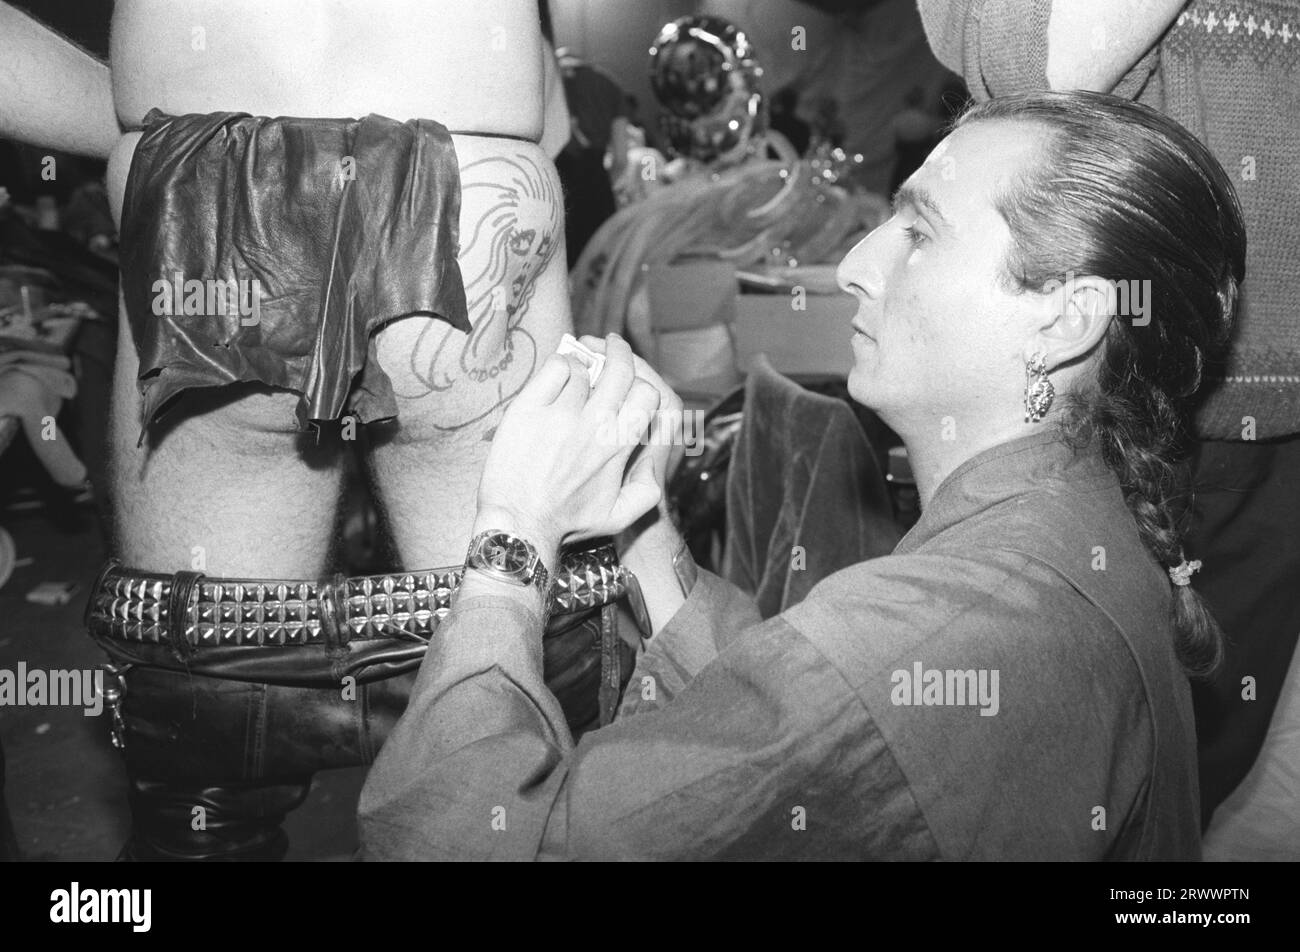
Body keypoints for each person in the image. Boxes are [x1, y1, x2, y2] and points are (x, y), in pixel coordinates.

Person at [357, 90, 1244, 860]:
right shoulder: (1084, 527)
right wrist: (644, 528)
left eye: (919, 232)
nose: (856, 267)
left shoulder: (943, 639)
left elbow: (456, 836)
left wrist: (511, 534)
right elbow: (795, 730)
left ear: (1065, 321)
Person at [0, 0, 641, 861]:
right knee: (523, 701)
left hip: (209, 212)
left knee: (205, 747)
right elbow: (555, 121)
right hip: (470, 188)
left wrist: (155, 119)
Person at [917, 0, 1300, 844]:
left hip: (1265, 390)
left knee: (1188, 778)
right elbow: (1028, 67)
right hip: (1137, 385)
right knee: (1057, 782)